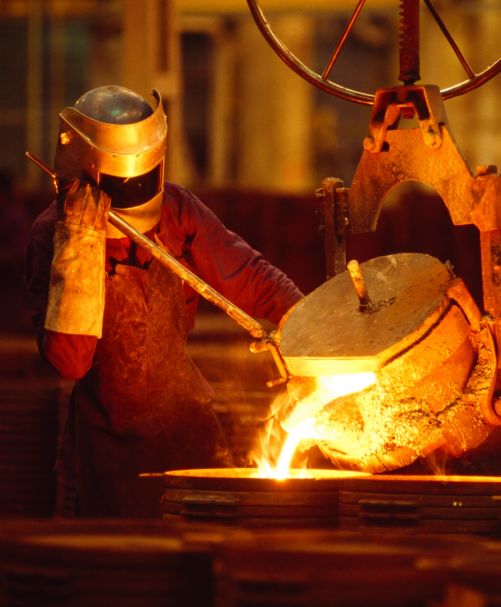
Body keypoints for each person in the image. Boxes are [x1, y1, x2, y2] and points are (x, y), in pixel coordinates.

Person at [25, 85, 304, 518]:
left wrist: (310, 324)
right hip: (109, 449)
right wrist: (77, 247)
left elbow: (248, 275)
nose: (135, 191)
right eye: (122, 184)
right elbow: (70, 363)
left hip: (188, 430)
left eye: (142, 180)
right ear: (84, 168)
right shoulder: (52, 236)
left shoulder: (176, 210)